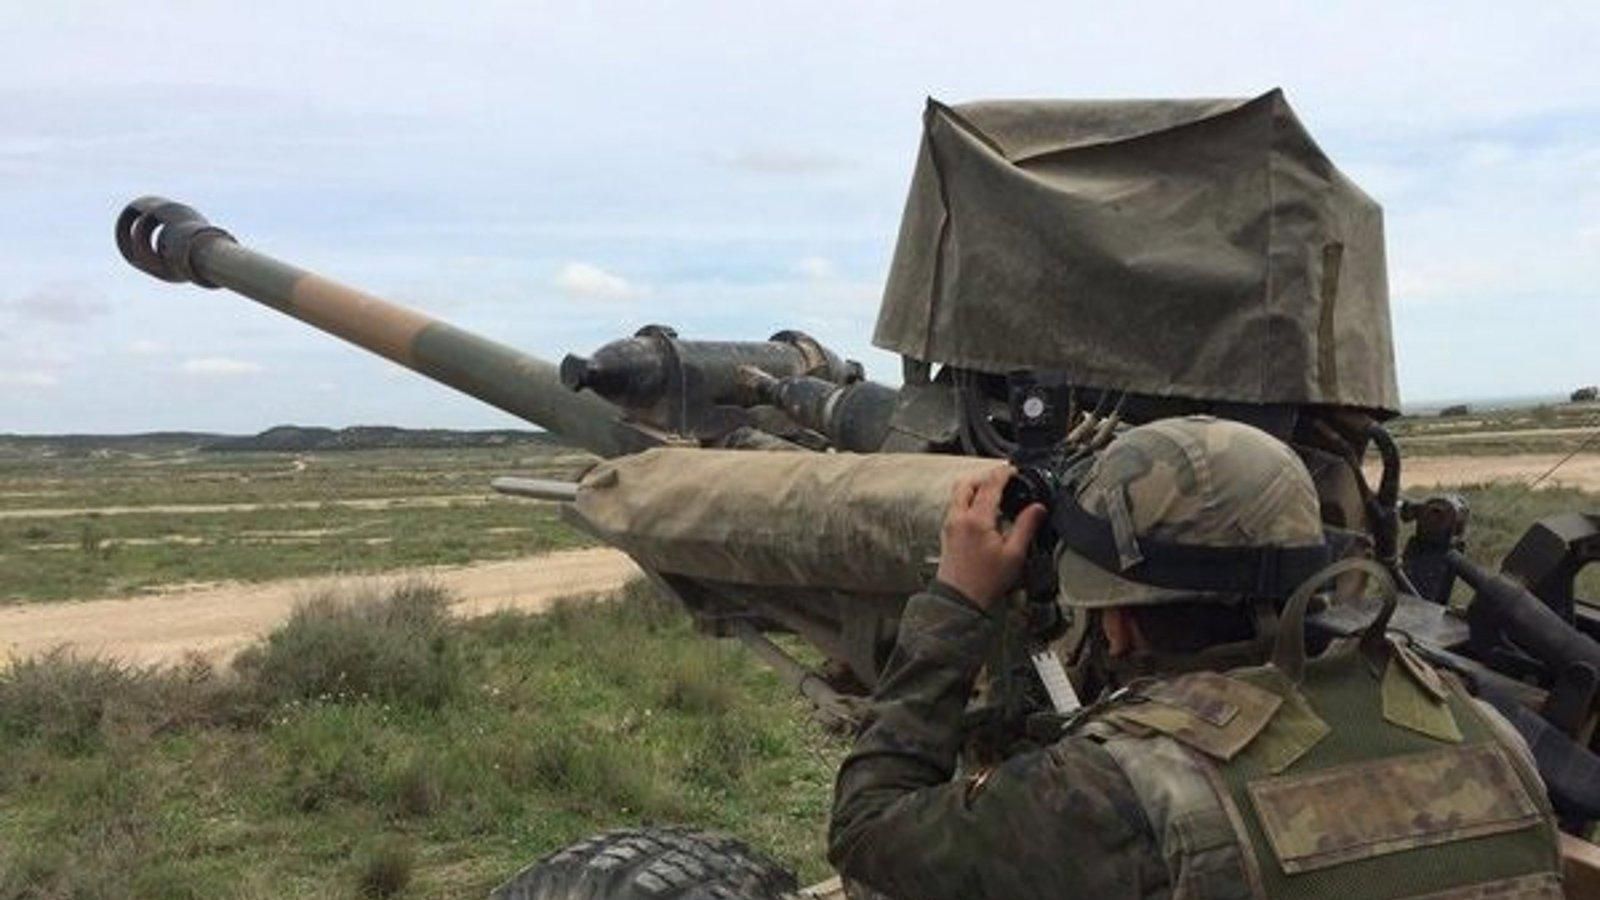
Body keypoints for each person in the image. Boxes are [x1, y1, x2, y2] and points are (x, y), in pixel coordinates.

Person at [829, 416, 1563, 900]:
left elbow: (866, 831)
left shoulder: (1125, 787)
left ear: (1118, 624)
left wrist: (957, 601)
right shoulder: (1475, 723)